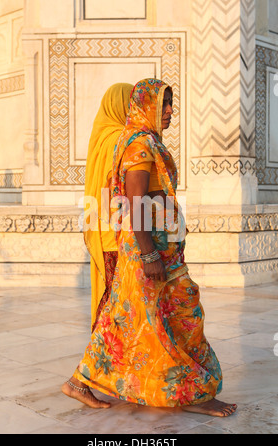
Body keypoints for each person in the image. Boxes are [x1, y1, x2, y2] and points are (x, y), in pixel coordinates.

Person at [62, 78, 237, 417]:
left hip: (154, 249)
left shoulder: (145, 141)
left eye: (171, 104)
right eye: (163, 105)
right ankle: (196, 393)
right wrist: (150, 253)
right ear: (145, 107)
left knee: (127, 318)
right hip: (150, 252)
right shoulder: (140, 145)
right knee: (185, 315)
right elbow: (136, 201)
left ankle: (79, 381)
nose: (170, 111)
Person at [82, 83, 133, 333]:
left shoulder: (101, 136)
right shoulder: (120, 140)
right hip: (117, 234)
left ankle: (104, 356)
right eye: (130, 103)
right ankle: (108, 358)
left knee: (110, 294)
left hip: (103, 231)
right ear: (120, 106)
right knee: (120, 300)